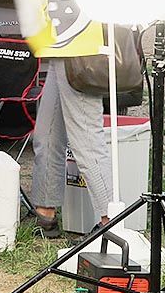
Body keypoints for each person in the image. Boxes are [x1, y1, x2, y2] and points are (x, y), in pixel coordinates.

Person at [30, 59, 113, 238]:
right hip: (58, 52)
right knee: (47, 135)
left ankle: (112, 222)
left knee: (88, 143)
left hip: (78, 53)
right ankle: (46, 214)